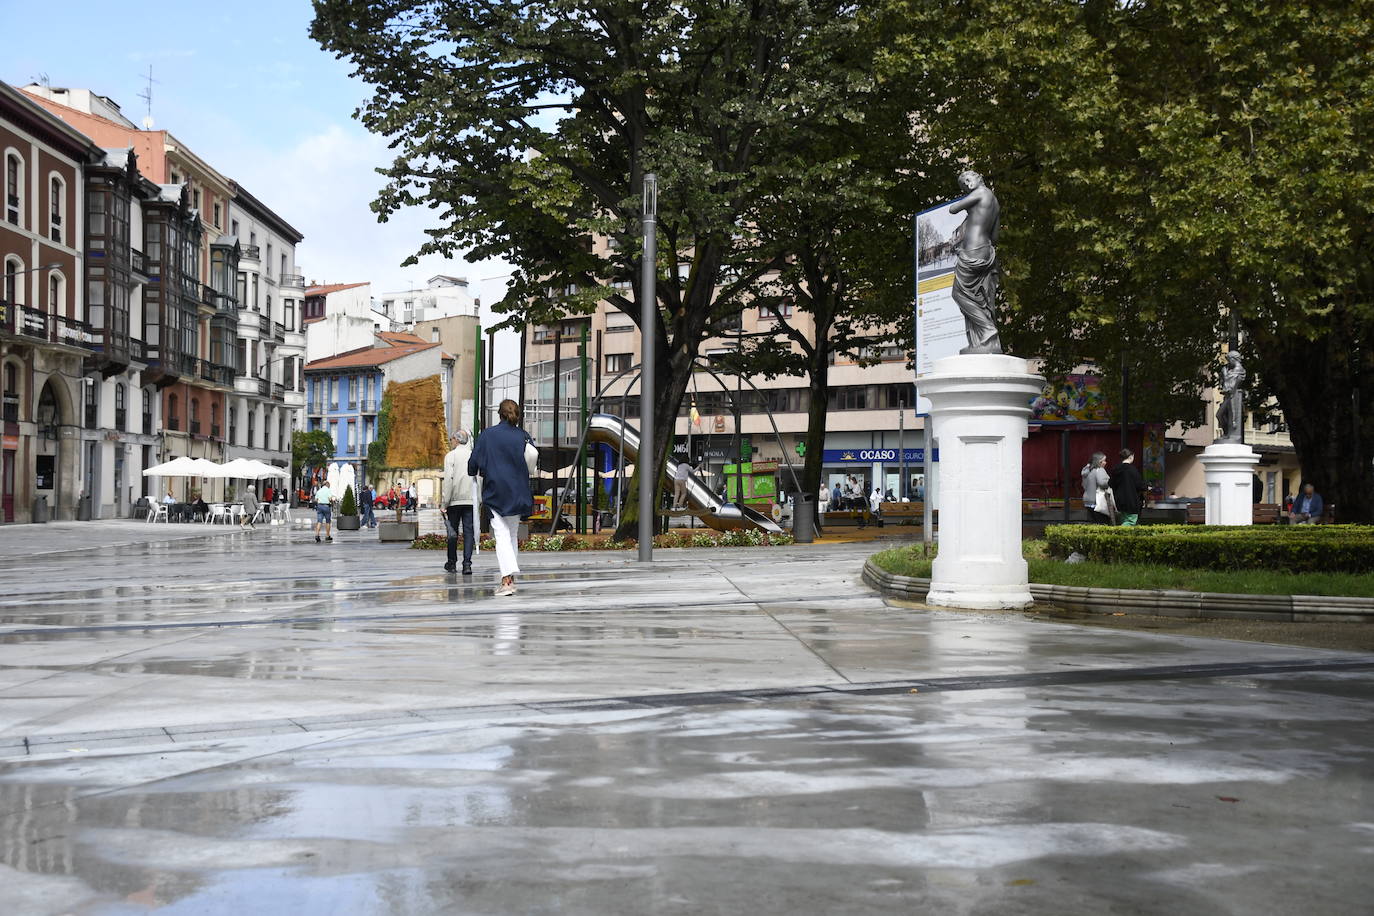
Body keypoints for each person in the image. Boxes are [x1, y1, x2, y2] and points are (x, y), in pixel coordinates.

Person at [468, 400, 538, 597]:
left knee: (501, 535)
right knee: (512, 534)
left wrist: (474, 470)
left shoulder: (488, 435)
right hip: (518, 490)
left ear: (499, 414)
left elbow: (474, 462)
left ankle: (507, 581)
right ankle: (509, 580)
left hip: (496, 491)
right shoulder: (523, 436)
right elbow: (531, 459)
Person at [947, 169, 1002, 354]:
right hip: (986, 251)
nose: (967, 186)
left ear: (978, 178)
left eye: (967, 180)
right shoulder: (995, 202)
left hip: (972, 251)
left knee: (959, 294)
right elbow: (995, 236)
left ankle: (988, 331)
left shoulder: (980, 192)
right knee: (979, 297)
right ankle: (982, 343)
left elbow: (952, 209)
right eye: (964, 184)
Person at [442, 431, 477, 574]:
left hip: (455, 501)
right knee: (469, 532)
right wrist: (478, 499)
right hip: (470, 500)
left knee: (452, 532)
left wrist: (445, 503)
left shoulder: (451, 456)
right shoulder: (473, 455)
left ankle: (451, 563)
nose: (451, 441)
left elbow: (449, 480)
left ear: (456, 440)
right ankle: (467, 564)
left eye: (452, 439)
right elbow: (478, 478)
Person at [1108, 449, 1146, 526]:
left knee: (1124, 520)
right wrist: (1146, 487)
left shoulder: (1116, 469)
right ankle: (1117, 533)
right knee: (1131, 522)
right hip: (1131, 501)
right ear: (1131, 457)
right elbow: (1139, 485)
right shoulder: (1132, 470)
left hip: (1119, 500)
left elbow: (1110, 483)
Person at [1081, 451, 1113, 524]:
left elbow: (1083, 485)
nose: (1105, 462)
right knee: (1103, 523)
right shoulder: (1100, 470)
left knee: (1094, 523)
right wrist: (1110, 482)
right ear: (1099, 462)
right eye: (1104, 460)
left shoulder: (1087, 471)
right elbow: (1102, 483)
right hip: (1097, 501)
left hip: (1087, 501)